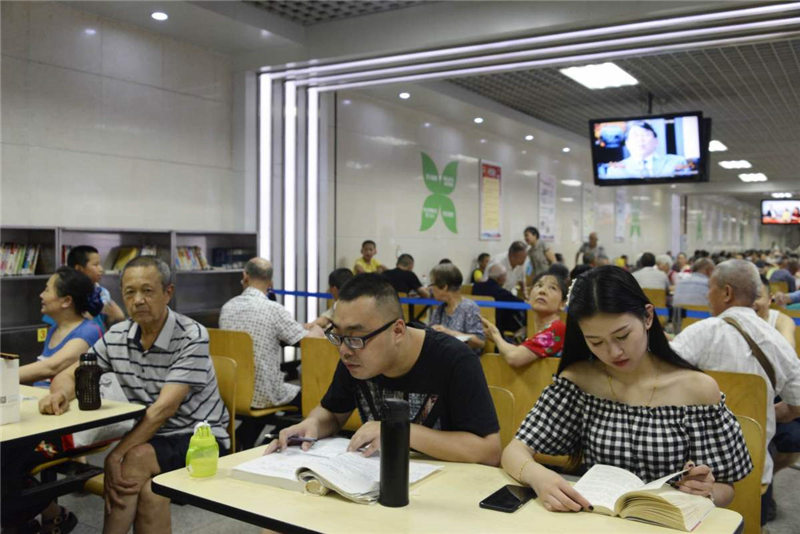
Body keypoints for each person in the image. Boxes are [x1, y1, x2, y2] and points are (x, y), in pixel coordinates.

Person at [502, 266, 752, 512]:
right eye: (595, 342)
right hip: (596, 521)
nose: (613, 352)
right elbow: (514, 451)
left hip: (668, 524)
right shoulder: (579, 382)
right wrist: (540, 478)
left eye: (622, 336)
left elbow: (726, 489)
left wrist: (706, 491)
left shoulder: (696, 390)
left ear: (648, 317)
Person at [38, 256, 230, 534]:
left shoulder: (191, 335)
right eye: (130, 292)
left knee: (133, 460)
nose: (138, 300)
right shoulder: (118, 335)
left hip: (201, 437)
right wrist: (61, 394)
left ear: (168, 293)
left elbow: (164, 409)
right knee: (150, 495)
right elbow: (73, 372)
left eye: (147, 291)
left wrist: (115, 455)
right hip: (150, 436)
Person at [264, 274, 501, 466]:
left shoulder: (454, 359)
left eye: (357, 337)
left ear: (397, 331)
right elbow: (333, 413)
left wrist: (400, 432)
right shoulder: (354, 356)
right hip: (376, 479)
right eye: (339, 335)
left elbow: (489, 449)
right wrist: (312, 424)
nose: (345, 349)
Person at [671, 260, 800, 513]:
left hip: (691, 471)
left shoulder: (699, 332)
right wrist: (760, 414)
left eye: (710, 288)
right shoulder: (777, 341)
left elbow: (662, 381)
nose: (707, 296)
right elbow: (797, 405)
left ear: (727, 293)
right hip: (755, 467)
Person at [219, 258, 325, 447]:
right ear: (271, 283)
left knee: (261, 408)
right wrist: (316, 328)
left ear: (245, 276)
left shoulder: (227, 307)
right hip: (264, 393)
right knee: (310, 397)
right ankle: (280, 438)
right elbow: (309, 342)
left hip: (233, 391)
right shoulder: (273, 309)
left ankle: (247, 442)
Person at [20, 267, 103, 386]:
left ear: (67, 301)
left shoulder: (89, 331)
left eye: (47, 290)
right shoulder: (54, 328)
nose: (41, 295)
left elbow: (51, 367)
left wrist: (7, 375)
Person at [481, 273, 567, 367]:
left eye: (552, 288)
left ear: (562, 304)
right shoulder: (545, 330)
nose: (542, 291)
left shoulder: (558, 330)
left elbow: (515, 358)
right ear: (528, 298)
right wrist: (495, 335)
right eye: (539, 285)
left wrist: (496, 336)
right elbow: (519, 351)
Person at [601, 121, 689, 179]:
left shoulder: (677, 161)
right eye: (636, 135)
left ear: (656, 141)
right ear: (627, 143)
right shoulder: (616, 170)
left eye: (645, 135)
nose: (641, 139)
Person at [428, 263, 485, 353]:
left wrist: (449, 333)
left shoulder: (469, 308)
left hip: (464, 361)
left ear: (444, 287)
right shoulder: (439, 309)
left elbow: (480, 342)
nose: (430, 289)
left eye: (432, 284)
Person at [67, 245, 126, 327]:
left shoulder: (102, 293)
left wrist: (117, 318)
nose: (101, 269)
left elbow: (108, 324)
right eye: (96, 265)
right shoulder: (65, 295)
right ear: (79, 269)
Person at [472, 263, 524, 334]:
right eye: (505, 276)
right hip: (496, 328)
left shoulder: (476, 287)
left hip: (476, 325)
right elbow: (522, 305)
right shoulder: (502, 293)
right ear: (500, 278)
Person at [754, 275, 796, 349]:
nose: (750, 302)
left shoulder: (781, 321)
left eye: (757, 297)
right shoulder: (732, 319)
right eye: (743, 297)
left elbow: (787, 353)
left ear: (769, 299)